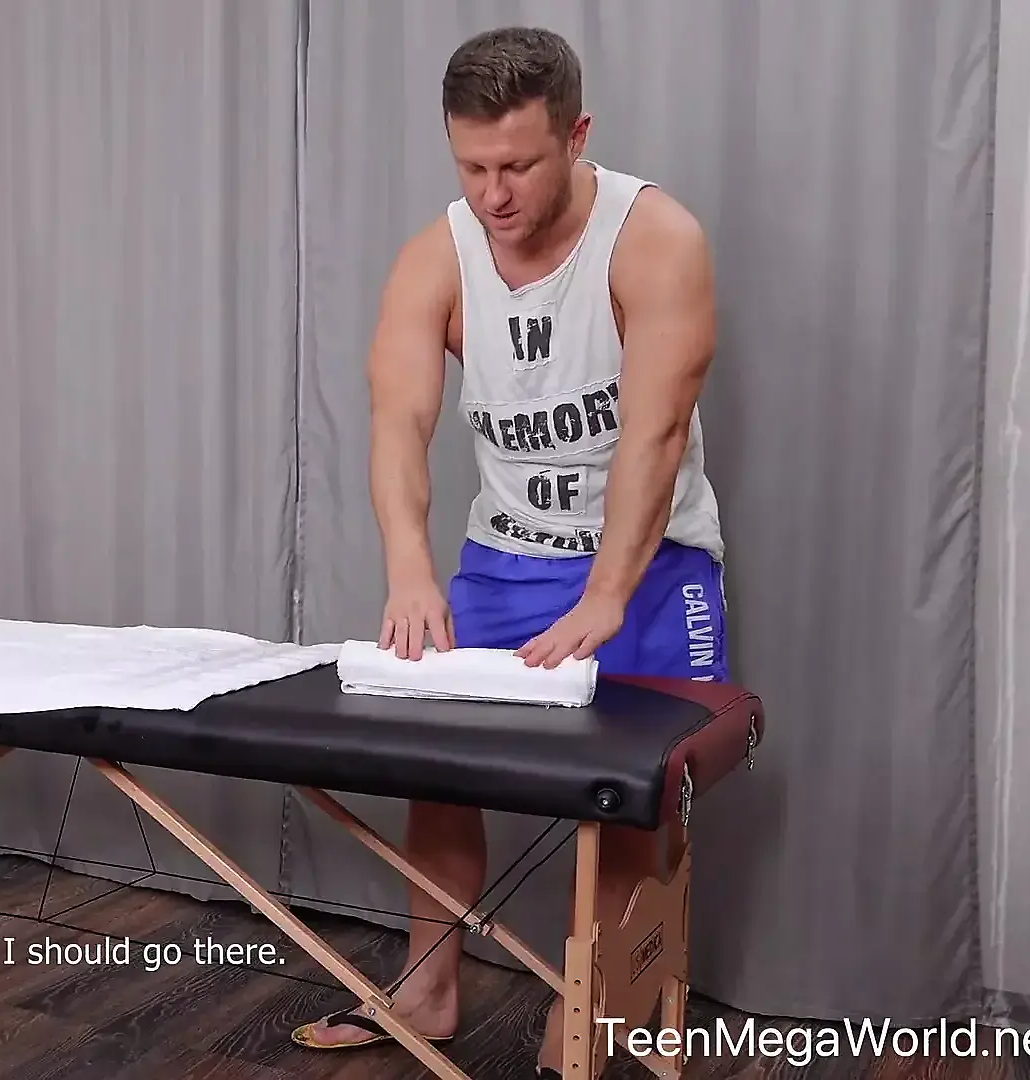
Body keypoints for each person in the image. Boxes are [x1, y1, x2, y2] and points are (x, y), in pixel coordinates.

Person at [291, 25, 727, 1076]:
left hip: (650, 562)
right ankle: (428, 988)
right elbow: (397, 421)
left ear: (576, 136)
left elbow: (655, 435)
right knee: (438, 767)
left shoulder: (655, 239)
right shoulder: (435, 257)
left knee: (627, 791)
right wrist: (409, 568)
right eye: (473, 167)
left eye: (520, 166)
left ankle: (594, 1011)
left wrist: (609, 593)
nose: (494, 193)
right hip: (504, 558)